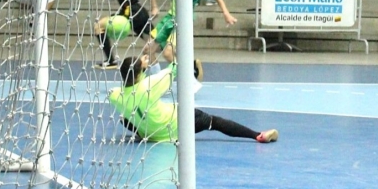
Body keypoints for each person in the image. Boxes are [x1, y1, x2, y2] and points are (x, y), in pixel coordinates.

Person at [109, 55, 278, 144]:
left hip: (149, 133)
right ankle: (258, 135)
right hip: (175, 126)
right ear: (140, 74)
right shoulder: (150, 85)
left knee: (124, 119)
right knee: (214, 121)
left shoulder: (116, 95)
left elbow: (122, 88)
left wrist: (142, 64)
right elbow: (174, 68)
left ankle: (142, 131)